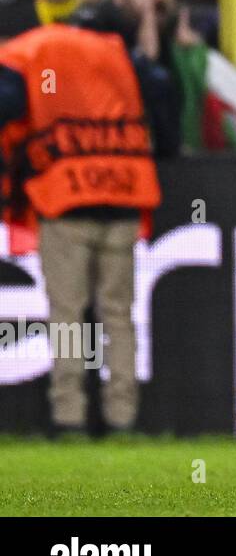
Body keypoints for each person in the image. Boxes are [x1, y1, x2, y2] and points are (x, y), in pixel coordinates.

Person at [0, 23, 173, 436]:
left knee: (68, 317)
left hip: (66, 201)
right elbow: (164, 104)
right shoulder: (118, 54)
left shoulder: (30, 52)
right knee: (118, 317)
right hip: (123, 195)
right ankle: (122, 418)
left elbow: (8, 106)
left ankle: (69, 418)